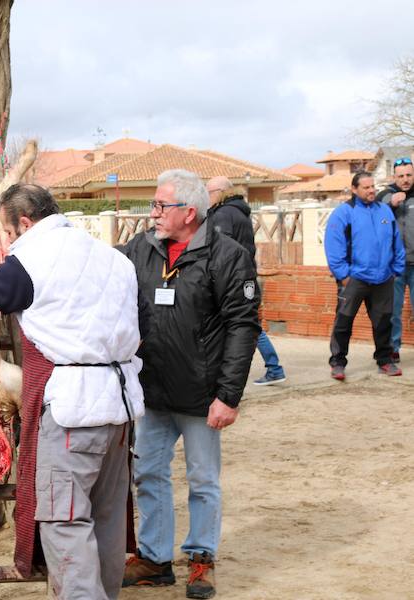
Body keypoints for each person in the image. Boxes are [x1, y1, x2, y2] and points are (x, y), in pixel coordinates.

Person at [0, 183, 144, 599]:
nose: (6, 243)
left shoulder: (33, 258)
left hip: (73, 408)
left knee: (65, 521)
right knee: (107, 519)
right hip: (120, 406)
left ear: (24, 222)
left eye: (7, 233)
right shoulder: (114, 258)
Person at [120, 169, 260, 600]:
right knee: (147, 474)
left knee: (202, 480)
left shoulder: (227, 255)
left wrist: (228, 396)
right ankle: (155, 558)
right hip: (152, 392)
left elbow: (243, 325)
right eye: (154, 204)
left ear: (190, 212)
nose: (154, 213)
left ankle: (201, 559)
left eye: (162, 205)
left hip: (203, 396)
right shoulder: (139, 250)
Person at [206, 175, 287, 385]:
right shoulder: (239, 211)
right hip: (246, 275)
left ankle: (273, 367)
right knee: (248, 322)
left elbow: (222, 248)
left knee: (244, 324)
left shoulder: (223, 214)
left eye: (209, 193)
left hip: (232, 278)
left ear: (220, 192)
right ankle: (274, 367)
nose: (206, 198)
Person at [325, 171, 405, 379]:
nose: (371, 191)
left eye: (373, 187)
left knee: (384, 323)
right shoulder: (344, 213)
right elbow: (334, 246)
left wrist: (396, 269)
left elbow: (397, 241)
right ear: (354, 189)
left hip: (383, 278)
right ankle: (338, 362)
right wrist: (343, 274)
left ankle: (385, 361)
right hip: (354, 279)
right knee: (343, 322)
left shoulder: (385, 211)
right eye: (366, 187)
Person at [377, 157, 414, 363]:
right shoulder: (385, 195)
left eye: (409, 175)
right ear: (394, 177)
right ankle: (393, 348)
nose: (405, 179)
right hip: (394, 267)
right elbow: (377, 214)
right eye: (401, 176)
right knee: (393, 311)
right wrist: (391, 203)